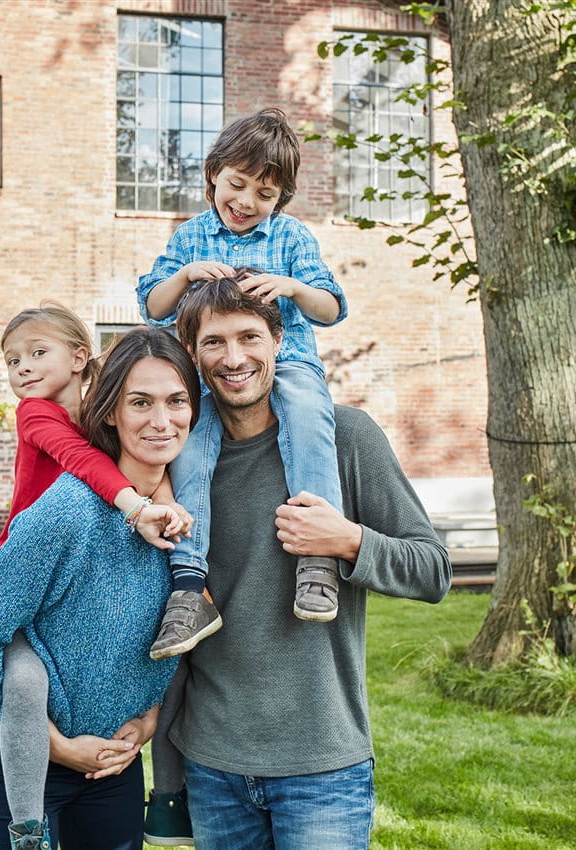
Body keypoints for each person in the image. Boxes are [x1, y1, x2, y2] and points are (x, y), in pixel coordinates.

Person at [143, 273, 452, 849]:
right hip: (212, 762)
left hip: (322, 763)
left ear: (279, 341)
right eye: (214, 342)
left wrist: (348, 540)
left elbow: (433, 570)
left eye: (249, 337)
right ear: (191, 351)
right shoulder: (177, 458)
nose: (234, 358)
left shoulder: (346, 439)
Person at [0, 314, 196, 850]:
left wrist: (148, 718)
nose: (161, 421)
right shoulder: (65, 513)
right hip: (23, 758)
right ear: (109, 412)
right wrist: (54, 744)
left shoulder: (186, 520)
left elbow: (175, 634)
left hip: (114, 765)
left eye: (176, 401)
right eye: (140, 402)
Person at [137, 108, 348, 662]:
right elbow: (152, 305)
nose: (247, 201)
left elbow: (330, 308)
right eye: (237, 184)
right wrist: (184, 276)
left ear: (282, 199)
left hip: (289, 363)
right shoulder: (191, 237)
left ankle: (316, 557)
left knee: (307, 415)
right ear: (214, 175)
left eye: (265, 193)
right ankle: (189, 584)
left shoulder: (292, 238)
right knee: (191, 448)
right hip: (208, 376)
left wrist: (293, 287)